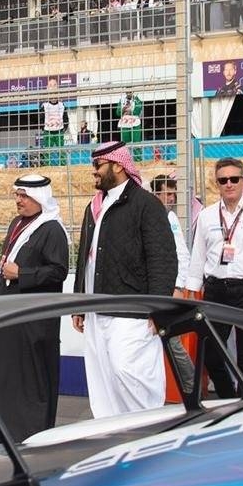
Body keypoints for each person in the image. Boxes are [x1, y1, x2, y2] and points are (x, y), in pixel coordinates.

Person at [71, 141, 177, 418]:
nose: (94, 171)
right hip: (96, 307)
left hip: (133, 308)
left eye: (98, 165)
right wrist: (80, 302)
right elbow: (85, 256)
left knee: (130, 370)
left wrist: (159, 308)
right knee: (102, 376)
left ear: (118, 165)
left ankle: (148, 429)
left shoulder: (145, 204)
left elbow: (162, 258)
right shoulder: (94, 206)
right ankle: (112, 434)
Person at [0, 175, 70, 443]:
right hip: (5, 313)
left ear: (39, 198)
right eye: (17, 195)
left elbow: (59, 271)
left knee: (28, 378)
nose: (18, 200)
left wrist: (22, 273)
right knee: (0, 372)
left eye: (24, 196)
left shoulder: (52, 229)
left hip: (31, 319)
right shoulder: (18, 223)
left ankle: (28, 433)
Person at [183, 157, 243, 399]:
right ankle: (228, 398)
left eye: (234, 179)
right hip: (216, 289)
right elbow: (198, 257)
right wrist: (192, 292)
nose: (229, 184)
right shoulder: (206, 216)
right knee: (211, 352)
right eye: (223, 180)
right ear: (217, 183)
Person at [150, 173, 196, 392]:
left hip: (167, 290)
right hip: (148, 291)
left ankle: (191, 387)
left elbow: (181, 255)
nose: (171, 199)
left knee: (172, 340)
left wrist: (178, 287)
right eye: (167, 194)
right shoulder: (151, 215)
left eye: (173, 194)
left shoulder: (170, 218)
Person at [39, 94, 69, 166]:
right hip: (48, 131)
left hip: (59, 130)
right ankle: (47, 165)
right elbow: (41, 117)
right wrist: (43, 128)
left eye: (55, 96)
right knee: (47, 150)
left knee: (61, 149)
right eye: (52, 96)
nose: (53, 98)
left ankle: (63, 165)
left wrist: (65, 127)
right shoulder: (45, 106)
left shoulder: (62, 105)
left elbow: (65, 117)